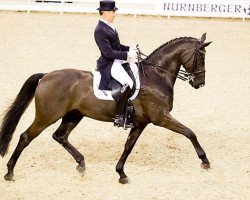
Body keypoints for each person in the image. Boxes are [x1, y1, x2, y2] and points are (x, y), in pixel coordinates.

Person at [94, 0, 137, 128]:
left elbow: (117, 46)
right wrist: (126, 55)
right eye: (113, 12)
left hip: (117, 60)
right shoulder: (100, 30)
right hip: (109, 64)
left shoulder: (109, 26)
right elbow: (107, 53)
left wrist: (130, 48)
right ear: (105, 13)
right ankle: (119, 116)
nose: (114, 14)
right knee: (129, 83)